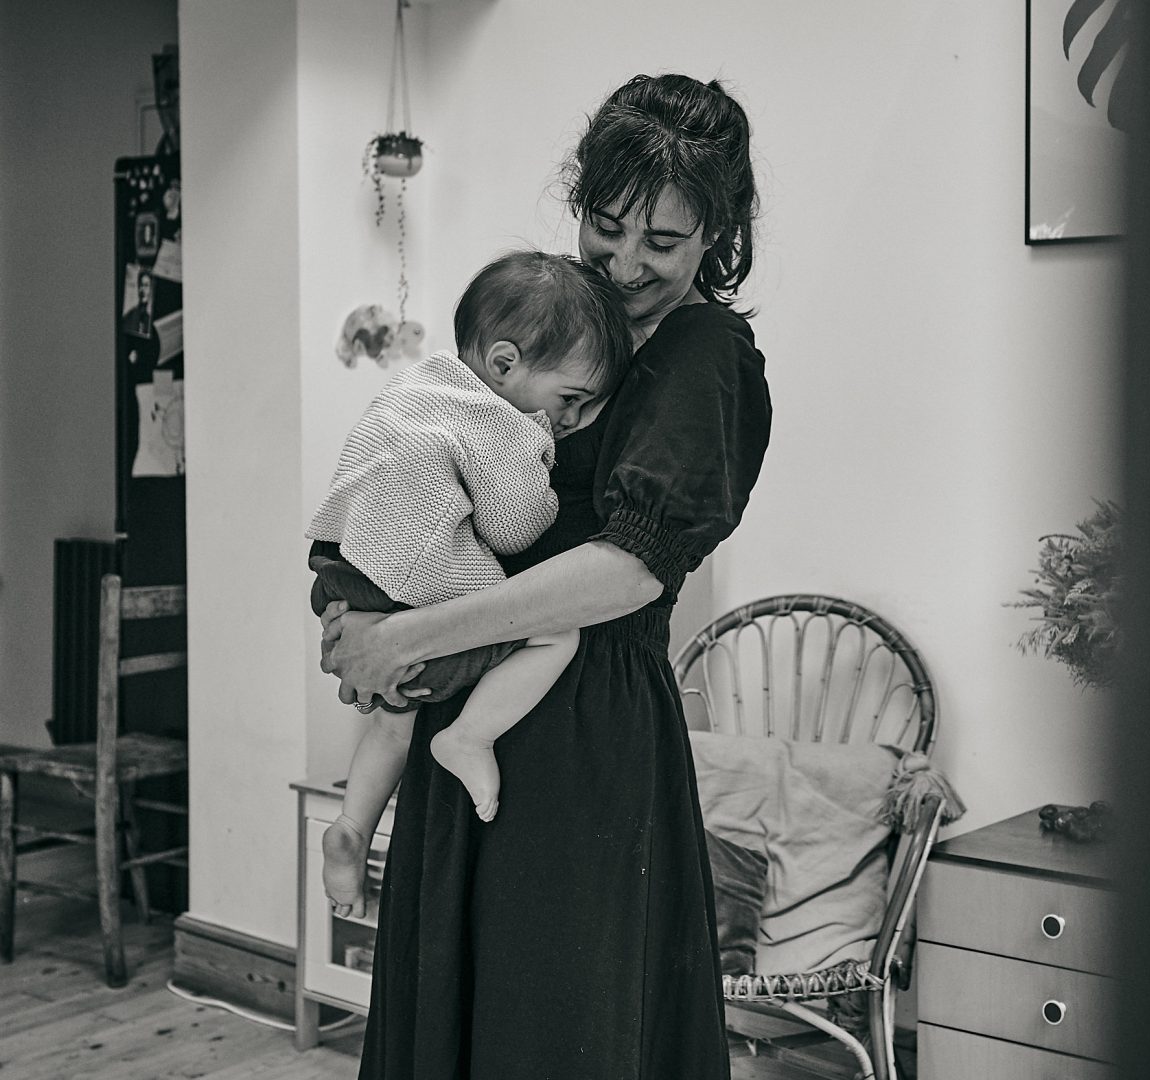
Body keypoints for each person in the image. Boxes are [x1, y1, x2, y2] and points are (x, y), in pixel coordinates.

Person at [320, 73, 770, 1078]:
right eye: (607, 227)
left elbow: (633, 569)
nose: (627, 263)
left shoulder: (706, 354)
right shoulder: (565, 322)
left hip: (584, 732)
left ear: (716, 234)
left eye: (664, 242)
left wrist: (408, 637)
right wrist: (369, 603)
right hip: (470, 707)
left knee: (552, 1027)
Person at [306, 250, 633, 920]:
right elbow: (515, 529)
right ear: (505, 365)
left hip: (343, 569)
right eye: (570, 399)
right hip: (416, 578)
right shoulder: (501, 423)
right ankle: (470, 737)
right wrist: (544, 470)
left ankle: (352, 827)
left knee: (394, 717)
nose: (571, 419)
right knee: (555, 633)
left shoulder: (417, 384)